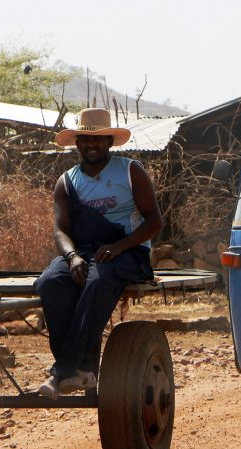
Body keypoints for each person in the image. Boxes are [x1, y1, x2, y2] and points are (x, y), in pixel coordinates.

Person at [36, 108, 162, 399]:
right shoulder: (66, 182)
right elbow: (60, 231)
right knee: (49, 283)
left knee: (96, 282)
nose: (91, 145)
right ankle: (82, 370)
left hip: (129, 251)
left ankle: (61, 372)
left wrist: (120, 246)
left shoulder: (130, 171)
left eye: (98, 139)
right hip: (84, 252)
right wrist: (72, 258)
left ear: (109, 142)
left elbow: (155, 222)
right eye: (85, 139)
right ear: (77, 143)